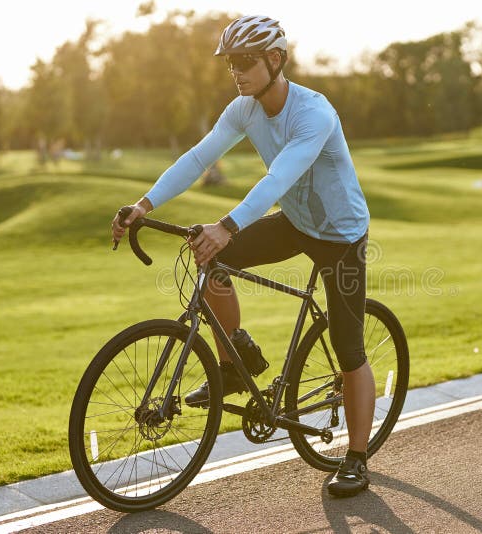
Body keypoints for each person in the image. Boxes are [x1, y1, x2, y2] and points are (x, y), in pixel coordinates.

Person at [111, 15, 374, 498]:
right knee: (211, 262)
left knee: (348, 345)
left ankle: (356, 458)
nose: (236, 71)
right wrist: (143, 205)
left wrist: (228, 226)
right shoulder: (244, 108)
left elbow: (279, 179)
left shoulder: (313, 113)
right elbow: (197, 157)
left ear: (275, 60)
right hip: (297, 224)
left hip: (341, 236)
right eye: (231, 62)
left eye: (246, 61)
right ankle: (237, 359)